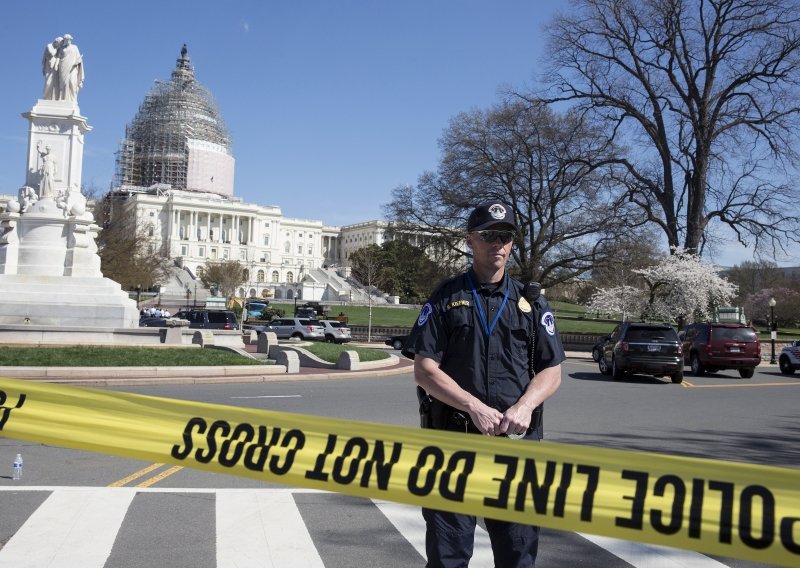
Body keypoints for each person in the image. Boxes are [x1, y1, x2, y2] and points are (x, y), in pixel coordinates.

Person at [402, 201, 564, 568]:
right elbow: (425, 370)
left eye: (506, 236)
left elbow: (551, 370)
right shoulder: (445, 297)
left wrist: (525, 406)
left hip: (516, 450)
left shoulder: (531, 303)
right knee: (448, 557)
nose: (499, 244)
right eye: (489, 235)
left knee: (518, 555)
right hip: (453, 445)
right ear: (470, 241)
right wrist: (472, 406)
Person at [56, 34, 84, 103]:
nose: (68, 41)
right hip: (63, 66)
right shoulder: (62, 48)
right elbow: (58, 57)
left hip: (73, 68)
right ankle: (62, 98)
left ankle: (73, 99)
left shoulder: (75, 47)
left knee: (72, 82)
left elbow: (79, 58)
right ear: (65, 40)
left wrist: (77, 62)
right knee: (64, 83)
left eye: (69, 39)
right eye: (66, 39)